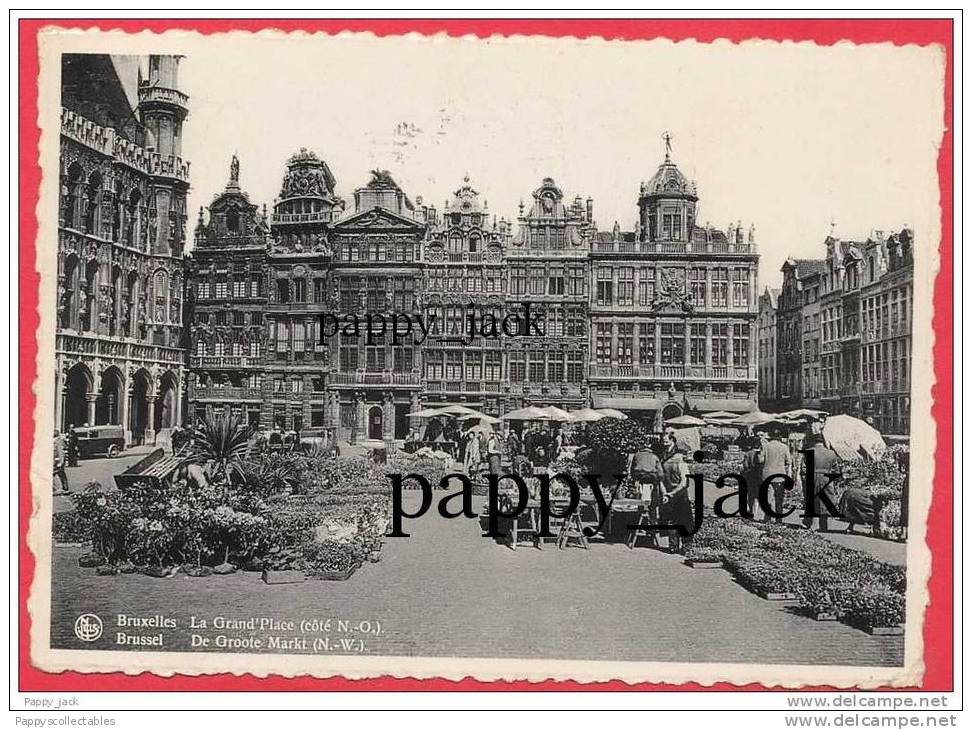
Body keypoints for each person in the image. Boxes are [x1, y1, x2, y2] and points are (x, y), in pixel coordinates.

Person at [659, 429, 693, 554]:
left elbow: (684, 481)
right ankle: (674, 546)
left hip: (678, 493)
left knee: (683, 519)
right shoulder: (663, 457)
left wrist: (670, 493)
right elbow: (660, 479)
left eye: (666, 441)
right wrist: (665, 493)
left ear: (673, 441)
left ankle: (685, 546)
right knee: (672, 520)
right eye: (663, 441)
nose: (664, 443)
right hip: (670, 492)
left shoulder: (679, 458)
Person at [801, 433, 840, 531]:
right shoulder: (831, 453)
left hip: (812, 477)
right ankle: (824, 525)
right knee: (825, 500)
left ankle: (814, 524)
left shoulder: (808, 451)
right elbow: (836, 470)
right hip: (826, 478)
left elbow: (803, 469)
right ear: (823, 442)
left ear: (814, 441)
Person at [756, 427, 792, 524]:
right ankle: (779, 519)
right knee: (779, 499)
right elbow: (789, 461)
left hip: (767, 475)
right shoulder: (784, 447)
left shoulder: (766, 446)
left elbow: (760, 460)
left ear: (770, 436)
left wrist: (759, 453)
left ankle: (767, 518)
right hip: (780, 475)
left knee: (768, 498)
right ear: (779, 437)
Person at [52, 431, 69, 495]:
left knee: (51, 475)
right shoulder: (57, 441)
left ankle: (53, 489)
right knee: (62, 475)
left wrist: (60, 462)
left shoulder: (57, 442)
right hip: (57, 461)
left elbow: (60, 453)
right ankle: (65, 488)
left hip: (57, 462)